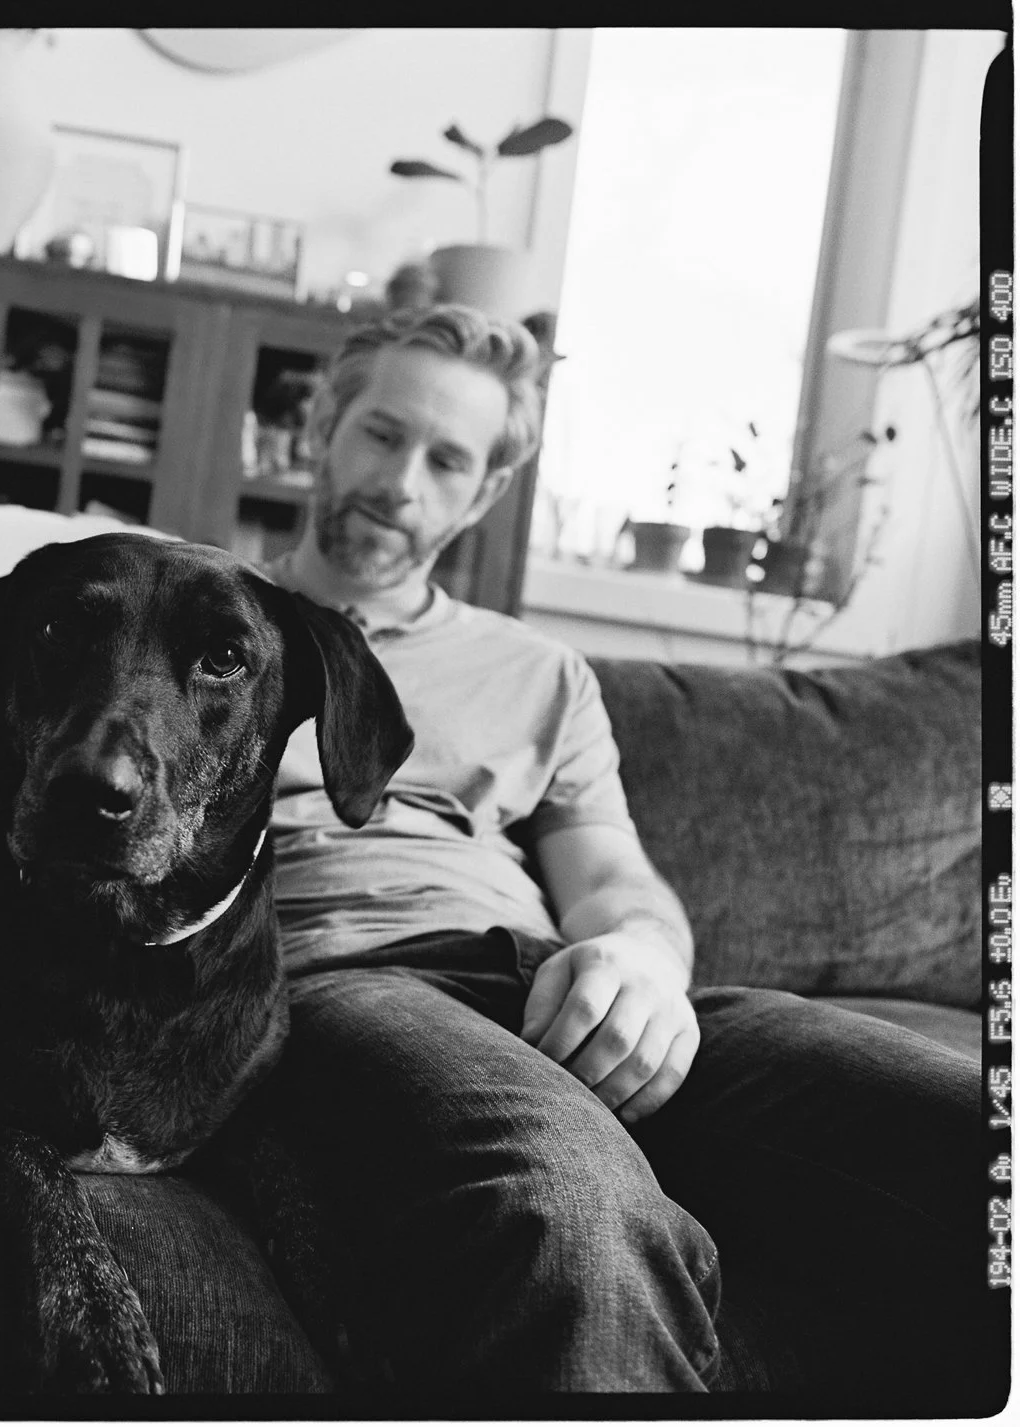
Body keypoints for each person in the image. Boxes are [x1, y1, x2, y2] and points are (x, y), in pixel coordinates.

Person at [258, 303, 996, 1401]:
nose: (400, 481)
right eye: (380, 432)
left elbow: (611, 880)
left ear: (487, 490)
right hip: (358, 980)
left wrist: (643, 960)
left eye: (447, 458)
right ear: (326, 423)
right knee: (572, 1204)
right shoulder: (198, 623)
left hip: (552, 973)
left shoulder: (542, 674)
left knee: (972, 1133)